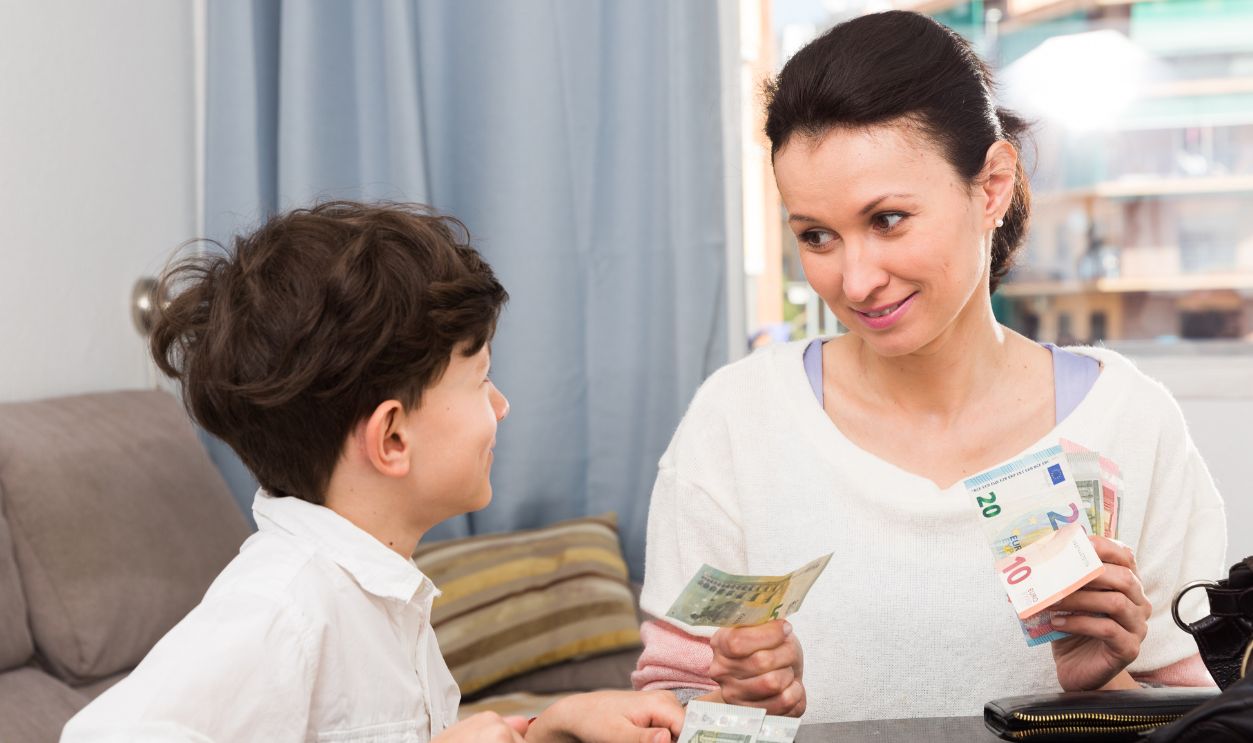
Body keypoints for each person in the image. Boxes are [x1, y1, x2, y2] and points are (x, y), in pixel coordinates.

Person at [632, 10, 1228, 723]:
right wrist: (738, 700)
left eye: (887, 220)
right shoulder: (737, 421)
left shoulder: (1131, 419)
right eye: (816, 236)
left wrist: (1106, 687)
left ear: (990, 186)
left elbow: (1207, 722)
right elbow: (667, 711)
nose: (854, 282)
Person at [61, 202, 685, 742]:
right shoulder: (284, 610)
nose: (501, 405)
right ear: (391, 437)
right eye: (480, 380)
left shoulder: (382, 594)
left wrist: (546, 730)